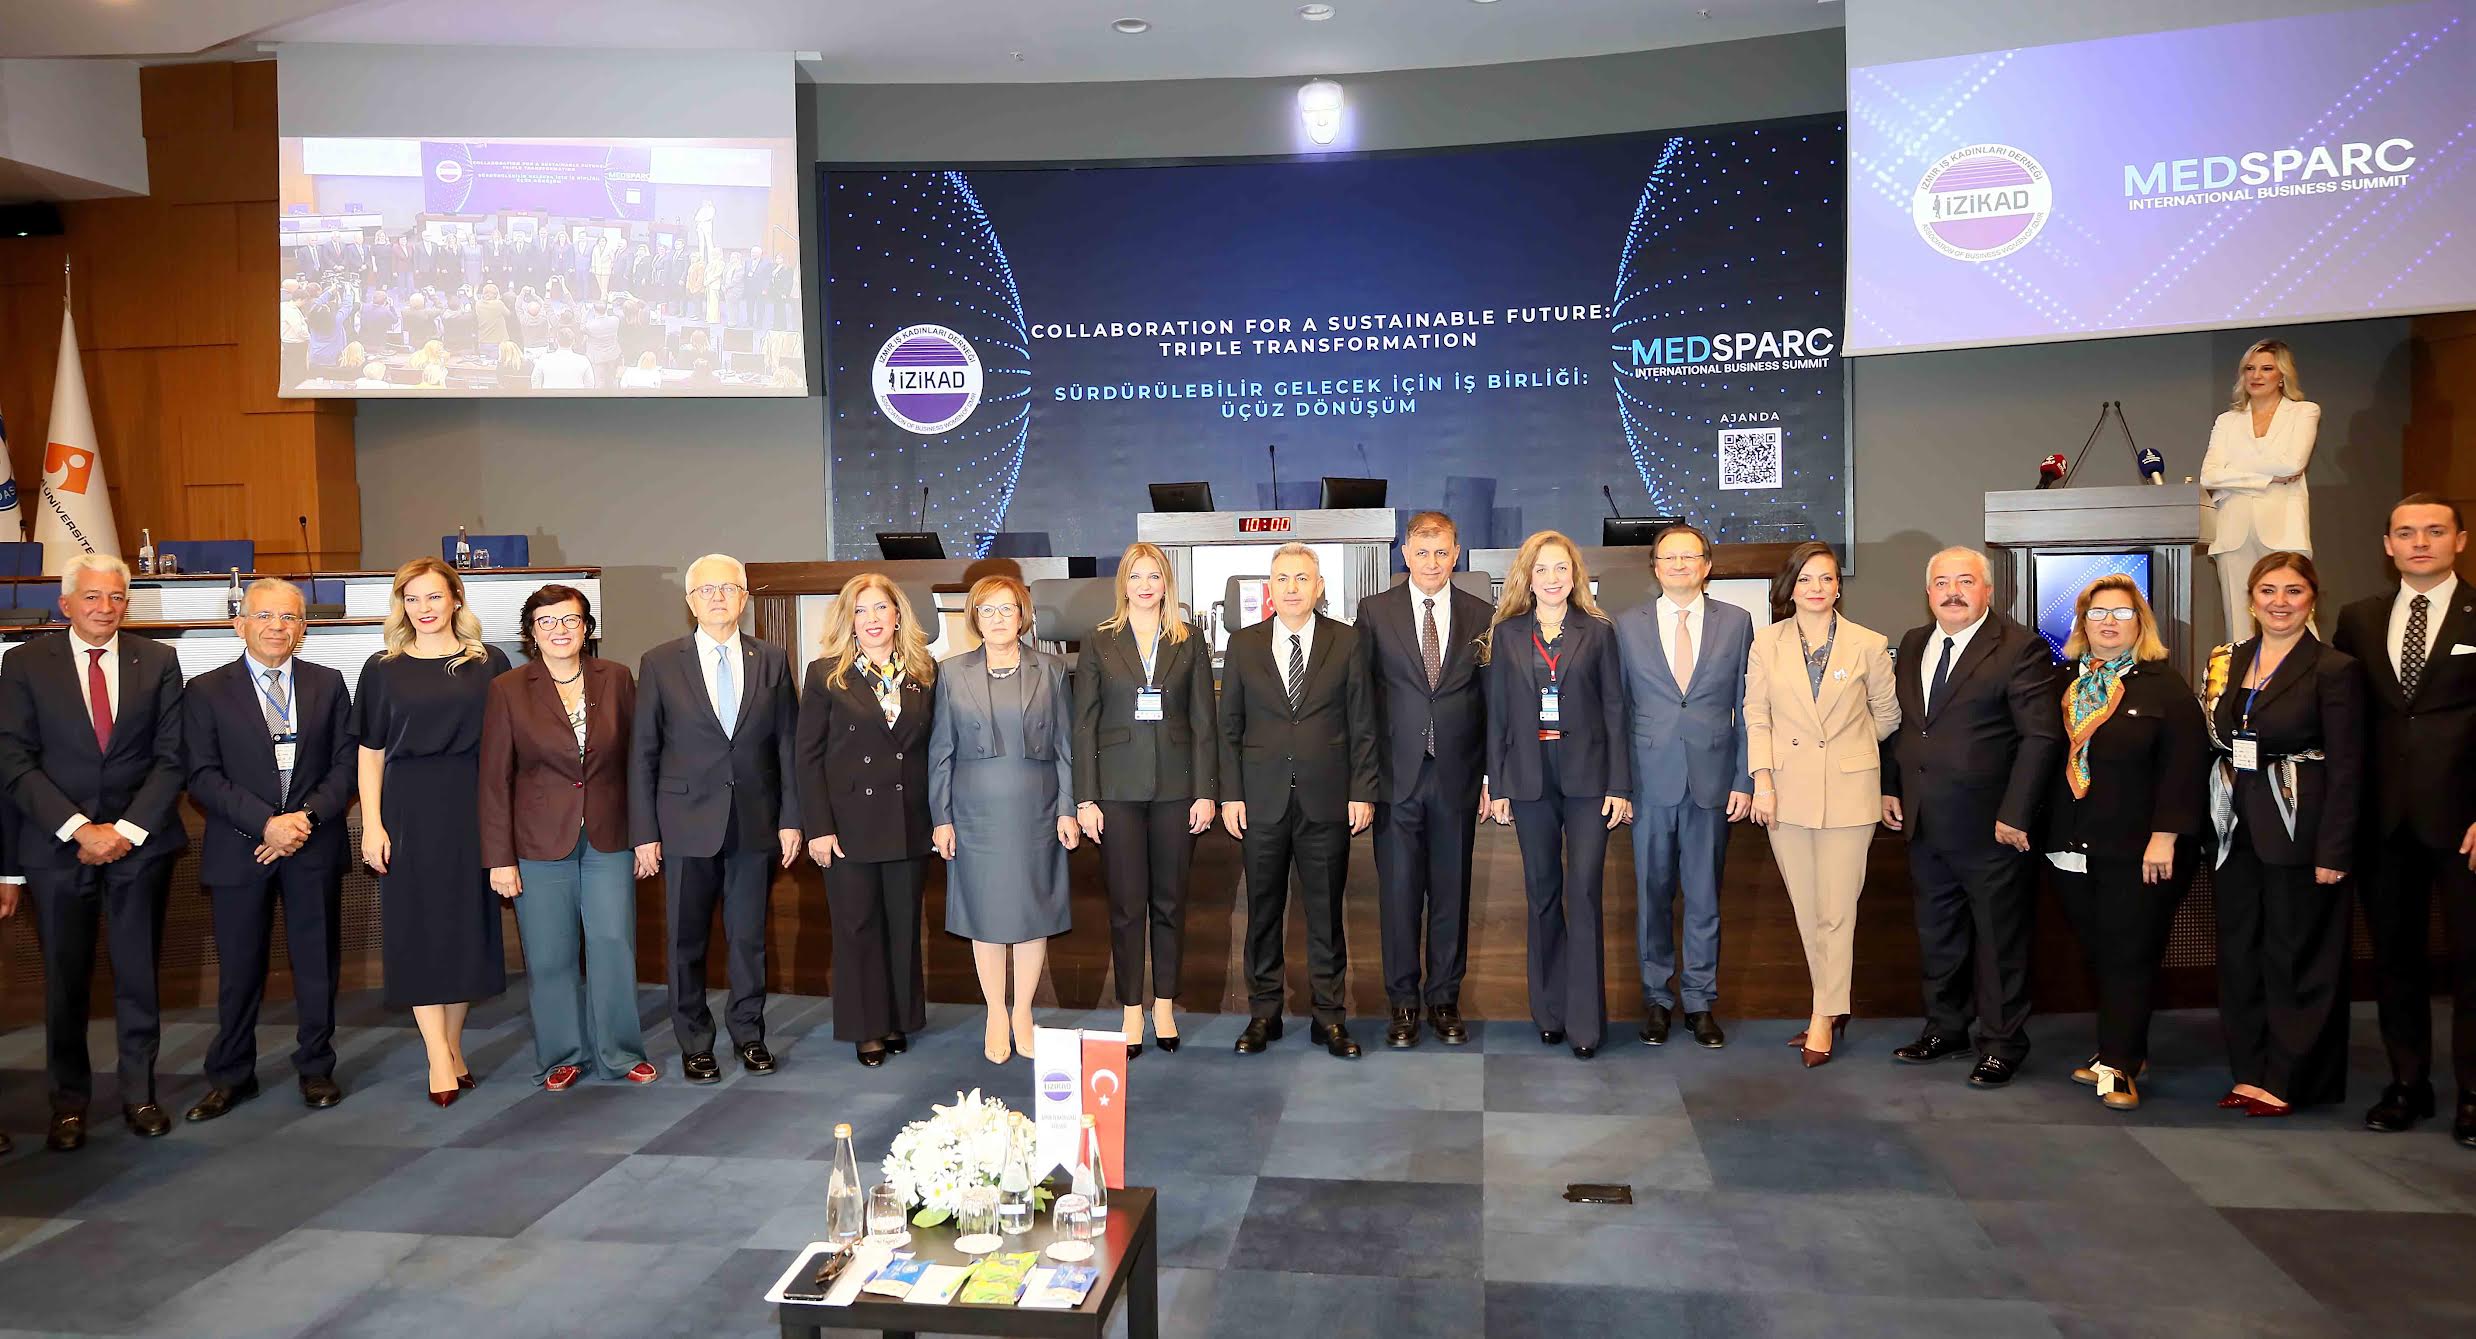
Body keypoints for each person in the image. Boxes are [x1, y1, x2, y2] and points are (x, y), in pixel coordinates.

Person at [0, 554, 188, 1150]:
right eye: (92, 596)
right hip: (57, 849)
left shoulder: (158, 660)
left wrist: (124, 831)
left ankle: (140, 1094)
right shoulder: (24, 663)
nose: (105, 608)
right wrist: (81, 829)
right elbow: (13, 760)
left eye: (116, 597)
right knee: (65, 980)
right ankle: (69, 1104)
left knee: (138, 975)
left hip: (139, 846)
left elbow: (172, 758)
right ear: (65, 604)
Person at [1881, 547, 2062, 1087]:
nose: (1953, 592)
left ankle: (2003, 1043)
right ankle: (1946, 1028)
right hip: (1924, 821)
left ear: (1988, 590)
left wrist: (2016, 813)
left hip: (1993, 828)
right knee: (1939, 935)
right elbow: (1907, 727)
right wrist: (1892, 788)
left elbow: (2040, 736)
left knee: (1999, 941)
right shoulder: (1914, 642)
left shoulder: (2020, 647)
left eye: (1965, 581)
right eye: (1942, 582)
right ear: (1928, 592)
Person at [180, 579, 357, 1122]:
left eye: (289, 617)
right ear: (240, 625)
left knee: (317, 964)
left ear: (303, 628)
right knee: (239, 969)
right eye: (264, 616)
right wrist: (266, 824)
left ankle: (316, 1066)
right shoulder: (206, 690)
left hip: (312, 842)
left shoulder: (328, 684)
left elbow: (346, 763)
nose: (277, 627)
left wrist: (303, 820)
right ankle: (232, 1075)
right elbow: (201, 775)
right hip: (241, 847)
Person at [2334, 494, 2476, 1145]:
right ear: (2388, 545)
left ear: (2459, 540)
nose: (2421, 542)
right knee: (2396, 959)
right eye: (2406, 532)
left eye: (2435, 531)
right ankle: (2408, 1083)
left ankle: (2473, 1092)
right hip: (2383, 822)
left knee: (2472, 960)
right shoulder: (2359, 618)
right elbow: (2349, 718)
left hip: (2465, 822)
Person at [630, 555, 801, 1083]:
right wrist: (644, 833)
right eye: (706, 590)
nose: (718, 597)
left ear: (744, 598)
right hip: (684, 823)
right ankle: (694, 1042)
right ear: (690, 602)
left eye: (729, 588)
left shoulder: (771, 659)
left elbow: (788, 745)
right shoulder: (660, 662)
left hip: (754, 820)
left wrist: (791, 819)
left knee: (749, 939)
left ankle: (749, 1035)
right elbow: (643, 752)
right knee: (686, 941)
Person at [2205, 551, 2364, 1115]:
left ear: (2312, 599)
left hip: (2303, 830)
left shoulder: (2333, 668)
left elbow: (2348, 766)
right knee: (2241, 954)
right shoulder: (2230, 658)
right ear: (2251, 599)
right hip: (2235, 829)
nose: (2279, 602)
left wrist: (2334, 849)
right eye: (2268, 590)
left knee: (2295, 956)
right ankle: (2250, 1071)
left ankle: (2292, 1078)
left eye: (2293, 591)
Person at [2041, 576, 2208, 1111]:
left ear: (2141, 623)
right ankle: (2123, 1048)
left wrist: (2165, 838)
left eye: (2121, 613)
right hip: (2069, 845)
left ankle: (2117, 1065)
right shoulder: (2062, 682)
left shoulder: (2164, 686)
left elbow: (2185, 768)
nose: (2108, 622)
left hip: (2140, 851)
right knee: (2099, 952)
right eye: (2097, 613)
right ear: (2082, 623)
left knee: (2128, 955)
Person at [480, 585, 655, 1091]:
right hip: (537, 844)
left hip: (609, 838)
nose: (560, 629)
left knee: (613, 944)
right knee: (549, 954)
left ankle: (620, 1053)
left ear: (587, 628)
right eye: (547, 621)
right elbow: (494, 779)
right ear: (531, 632)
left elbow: (638, 763)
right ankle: (562, 1054)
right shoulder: (508, 689)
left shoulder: (616, 678)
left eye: (570, 620)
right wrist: (499, 858)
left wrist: (646, 836)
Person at [355, 559, 511, 1105]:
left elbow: (506, 745)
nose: (424, 608)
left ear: (456, 600)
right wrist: (372, 824)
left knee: (464, 930)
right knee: (419, 930)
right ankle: (437, 1056)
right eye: (412, 598)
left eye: (434, 597)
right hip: (408, 810)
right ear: (402, 605)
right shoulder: (382, 668)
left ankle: (453, 1045)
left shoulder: (488, 662)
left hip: (472, 806)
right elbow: (370, 752)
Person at [1219, 543, 1378, 1060]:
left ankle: (1329, 1017)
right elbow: (1229, 728)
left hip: (1327, 800)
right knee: (1263, 913)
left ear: (1319, 586)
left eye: (1302, 578)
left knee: (1325, 915)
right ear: (1270, 587)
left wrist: (1362, 791)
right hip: (1260, 801)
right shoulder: (1243, 644)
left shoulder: (1347, 641)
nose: (1292, 588)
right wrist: (1231, 795)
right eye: (1283, 579)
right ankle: (1263, 1014)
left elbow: (1362, 723)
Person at [1744, 542, 1899, 1068]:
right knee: (1807, 910)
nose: (1816, 588)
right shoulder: (1766, 642)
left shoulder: (1868, 644)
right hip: (1785, 793)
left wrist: (1847, 748)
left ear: (1838, 587)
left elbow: (1887, 715)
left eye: (1827, 578)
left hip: (1849, 794)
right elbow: (1757, 716)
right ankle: (1831, 1004)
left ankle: (1822, 1014)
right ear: (1790, 587)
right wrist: (1763, 781)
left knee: (1837, 911)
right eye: (1806, 578)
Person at [1485, 530, 1633, 1060]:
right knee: (1542, 893)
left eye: (1561, 569)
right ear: (1527, 577)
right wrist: (1497, 783)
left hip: (1588, 779)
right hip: (1529, 778)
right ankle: (1548, 1012)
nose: (1552, 578)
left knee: (1585, 893)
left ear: (1575, 577)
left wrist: (1620, 784)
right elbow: (1497, 714)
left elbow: (1615, 710)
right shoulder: (1507, 634)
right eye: (1542, 569)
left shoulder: (1598, 631)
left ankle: (1585, 1023)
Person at [1353, 513, 1492, 1048]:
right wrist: (1363, 780)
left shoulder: (1482, 613)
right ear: (1405, 555)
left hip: (1457, 775)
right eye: (1422, 552)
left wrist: (1489, 776)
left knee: (1452, 893)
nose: (1432, 563)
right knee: (1399, 895)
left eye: (1442, 552)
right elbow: (1363, 701)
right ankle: (1403, 1003)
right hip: (1395, 778)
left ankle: (1444, 1000)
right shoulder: (1375, 612)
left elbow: (1492, 701)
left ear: (1455, 554)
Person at [1074, 543, 1217, 1056]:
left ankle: (1165, 1005)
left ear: (1166, 583)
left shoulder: (1189, 639)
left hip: (1177, 789)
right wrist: (1085, 798)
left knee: (1171, 902)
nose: (1144, 585)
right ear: (1123, 584)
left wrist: (1206, 791)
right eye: (1135, 576)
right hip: (1115, 791)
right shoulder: (1099, 640)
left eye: (1153, 575)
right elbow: (1084, 723)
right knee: (1127, 904)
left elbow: (1204, 722)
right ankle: (1131, 1008)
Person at [930, 574, 1080, 1064]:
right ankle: (996, 1011)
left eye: (1007, 609)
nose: (997, 618)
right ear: (975, 617)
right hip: (974, 815)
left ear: (1023, 616)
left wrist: (1068, 808)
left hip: (1037, 810)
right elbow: (940, 752)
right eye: (987, 609)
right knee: (986, 914)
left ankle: (1023, 1011)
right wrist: (941, 818)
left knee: (1033, 911)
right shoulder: (950, 673)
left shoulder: (1052, 669)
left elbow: (1067, 747)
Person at [1614, 522, 1752, 1048]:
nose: (1678, 565)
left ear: (1706, 566)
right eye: (1668, 557)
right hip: (1649, 782)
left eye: (1689, 557)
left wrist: (1744, 778)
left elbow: (1748, 707)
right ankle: (1656, 1000)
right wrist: (1620, 784)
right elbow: (1618, 711)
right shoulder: (1626, 625)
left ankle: (1699, 1002)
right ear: (1655, 567)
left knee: (1703, 898)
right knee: (1652, 897)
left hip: (1712, 782)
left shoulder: (1736, 622)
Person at [796, 574, 938, 1067]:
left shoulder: (925, 672)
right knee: (857, 927)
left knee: (903, 925)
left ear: (898, 615)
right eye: (861, 610)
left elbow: (934, 751)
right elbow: (807, 757)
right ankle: (866, 1028)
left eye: (881, 608)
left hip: (908, 820)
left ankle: (898, 1018)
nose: (872, 619)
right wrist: (818, 827)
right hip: (848, 825)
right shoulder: (825, 675)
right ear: (848, 621)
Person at [2202, 339, 2320, 638]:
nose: (2256, 376)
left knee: (2296, 616)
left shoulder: (2304, 412)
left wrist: (2235, 470)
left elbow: (2292, 464)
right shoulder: (2227, 421)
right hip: (2233, 529)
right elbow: (2209, 476)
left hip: (2284, 528)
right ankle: (2244, 672)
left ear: (2282, 375)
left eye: (2266, 368)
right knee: (2239, 627)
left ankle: (2305, 670)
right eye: (2249, 369)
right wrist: (2266, 478)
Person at [531, 327, 595, 389]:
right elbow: (590, 384)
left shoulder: (544, 359)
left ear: (556, 341)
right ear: (573, 341)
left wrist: (539, 394)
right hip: (576, 396)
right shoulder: (583, 360)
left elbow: (535, 379)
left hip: (549, 396)